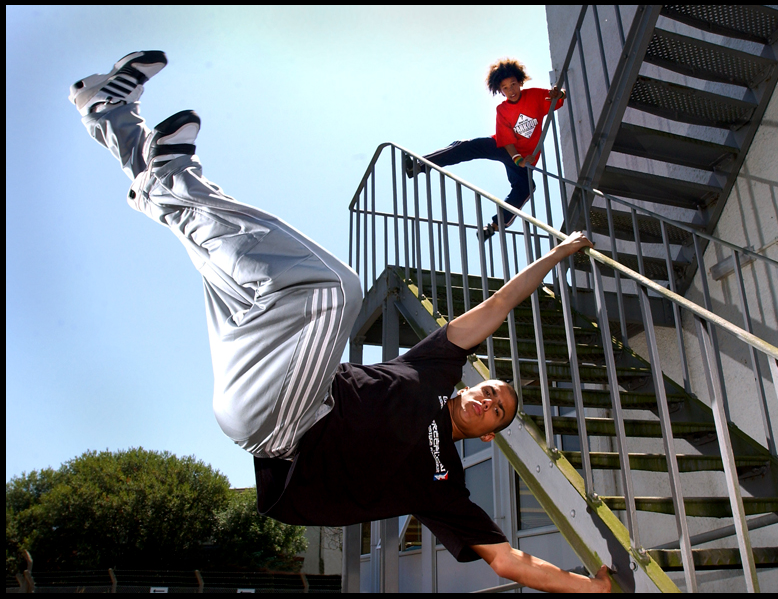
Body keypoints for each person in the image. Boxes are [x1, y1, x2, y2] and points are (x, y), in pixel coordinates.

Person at [69, 51, 610, 593]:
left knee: (335, 292)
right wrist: (556, 255)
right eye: (493, 390)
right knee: (223, 255)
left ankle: (165, 179)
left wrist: (596, 589)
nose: (490, 401)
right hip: (268, 371)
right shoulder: (433, 371)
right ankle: (112, 115)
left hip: (286, 430)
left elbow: (509, 562)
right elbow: (493, 309)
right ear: (473, 384)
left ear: (488, 437)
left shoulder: (442, 479)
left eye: (497, 413)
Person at [406, 58, 566, 242]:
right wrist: (518, 159)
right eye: (505, 88)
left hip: (525, 159)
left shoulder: (536, 96)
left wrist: (559, 93)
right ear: (500, 91)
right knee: (467, 146)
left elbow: (559, 98)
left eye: (513, 84)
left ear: (520, 82)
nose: (511, 91)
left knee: (526, 188)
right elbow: (507, 142)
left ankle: (494, 226)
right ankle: (418, 165)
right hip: (506, 149)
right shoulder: (503, 110)